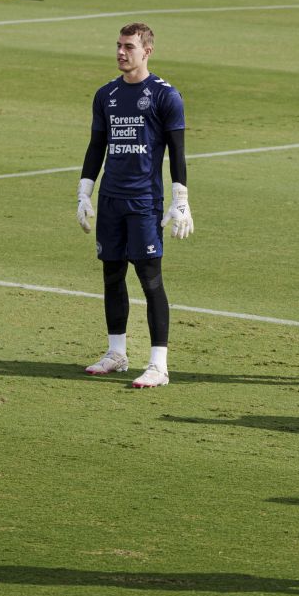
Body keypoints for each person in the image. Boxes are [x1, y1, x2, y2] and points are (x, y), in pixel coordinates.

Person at [77, 22, 191, 389]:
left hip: (144, 201)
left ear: (147, 51)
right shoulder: (106, 94)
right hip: (111, 199)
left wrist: (181, 200)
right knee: (112, 276)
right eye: (118, 46)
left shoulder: (164, 95)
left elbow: (177, 152)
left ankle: (159, 365)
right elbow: (97, 146)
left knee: (150, 279)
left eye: (128, 46)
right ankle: (116, 353)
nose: (121, 52)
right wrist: (84, 192)